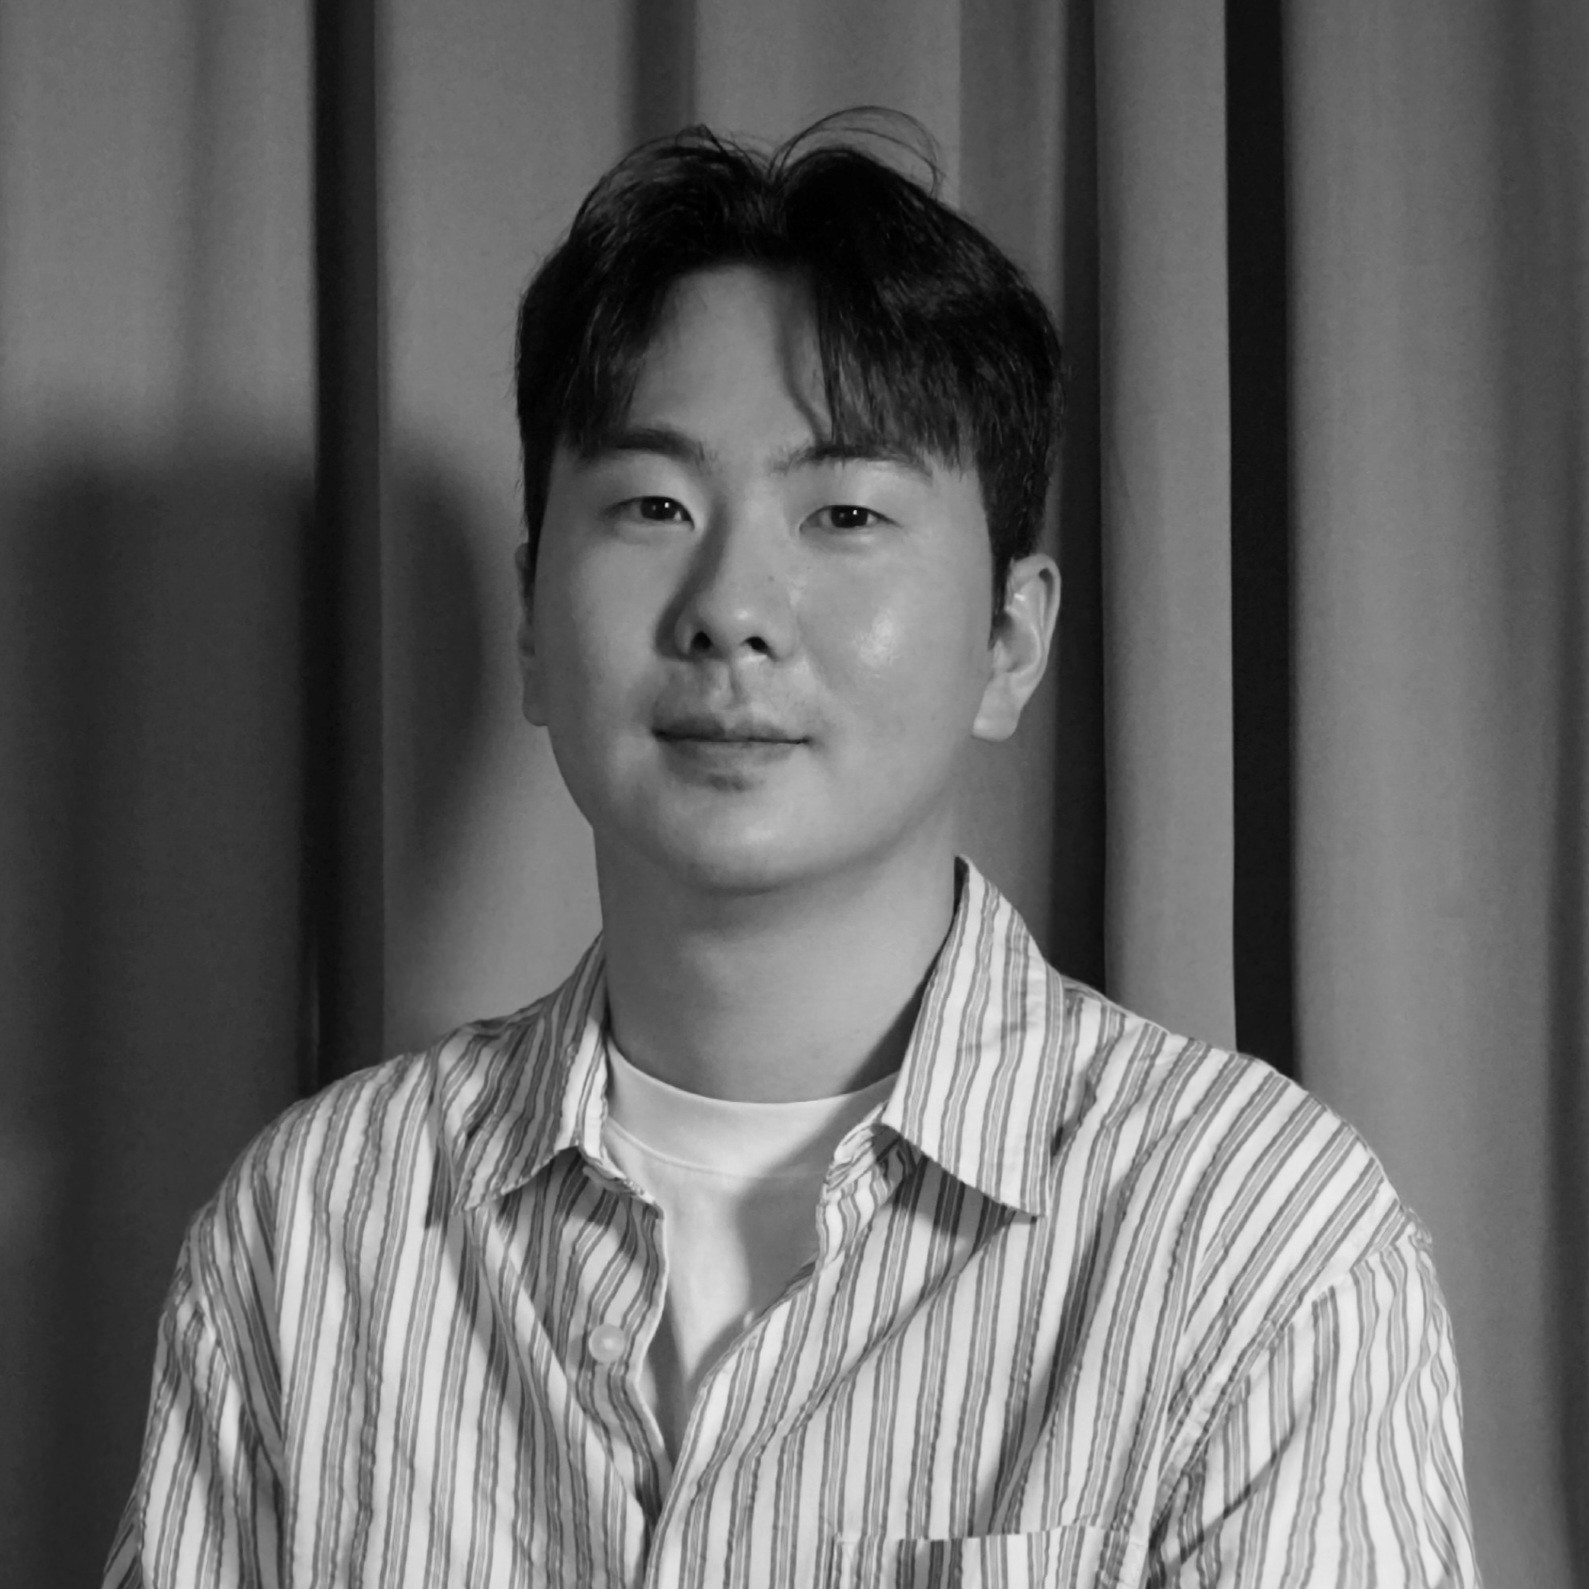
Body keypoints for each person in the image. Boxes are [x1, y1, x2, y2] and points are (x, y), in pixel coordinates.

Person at [106, 112, 1481, 1587]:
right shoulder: (314, 1230)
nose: (731, 608)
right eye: (653, 505)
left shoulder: (1251, 1243)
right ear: (531, 623)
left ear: (1010, 640)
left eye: (842, 512)